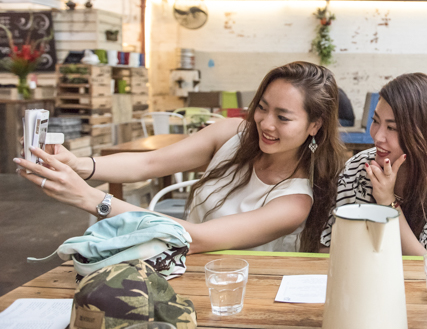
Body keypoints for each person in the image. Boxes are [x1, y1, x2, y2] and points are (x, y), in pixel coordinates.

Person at [15, 62, 346, 254]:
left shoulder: (294, 201)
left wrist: (91, 199)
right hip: (177, 267)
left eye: (283, 117)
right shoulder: (232, 133)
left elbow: (196, 238)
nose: (265, 123)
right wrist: (78, 164)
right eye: (262, 107)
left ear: (314, 125)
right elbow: (149, 163)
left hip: (233, 294)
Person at [320, 73, 427, 255]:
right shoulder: (358, 167)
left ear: (424, 134)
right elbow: (327, 245)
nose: (377, 136)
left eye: (392, 128)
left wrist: (388, 203)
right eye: (375, 121)